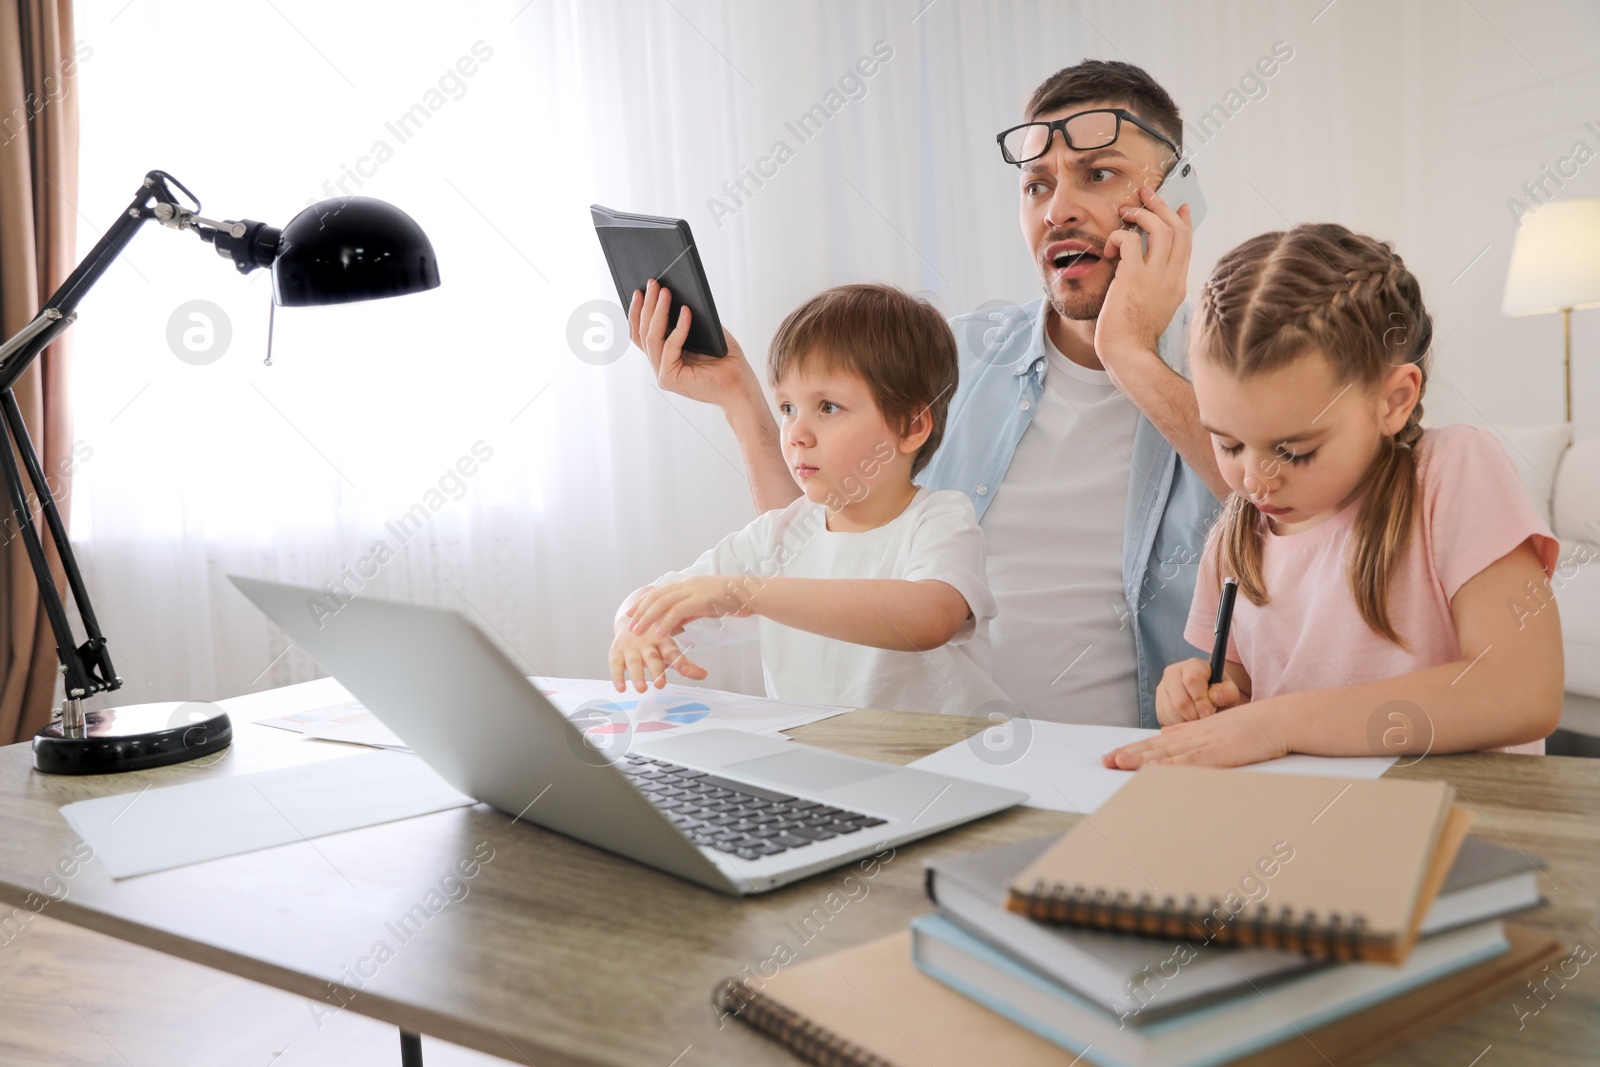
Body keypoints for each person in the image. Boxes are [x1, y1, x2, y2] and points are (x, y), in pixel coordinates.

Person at [631, 60, 1226, 728]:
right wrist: (741, 401)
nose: (1058, 209)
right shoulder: (955, 357)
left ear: (1178, 205)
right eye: (1036, 185)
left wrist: (1130, 355)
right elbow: (829, 538)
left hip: (1134, 772)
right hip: (949, 765)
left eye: (1099, 174)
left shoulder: (1238, 370)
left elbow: (1272, 509)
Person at [1103, 224, 1563, 769]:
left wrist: (1278, 722)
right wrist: (1203, 698)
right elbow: (1245, 698)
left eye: (1294, 450)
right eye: (1227, 443)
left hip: (1458, 816)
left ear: (1394, 400)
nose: (1255, 480)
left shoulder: (1453, 471)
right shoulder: (1236, 539)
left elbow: (1520, 692)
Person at [609, 283, 1008, 715]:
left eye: (828, 407)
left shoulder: (940, 519)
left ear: (912, 427)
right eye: (786, 408)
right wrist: (634, 627)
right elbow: (651, 599)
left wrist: (751, 593)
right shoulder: (777, 535)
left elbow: (929, 618)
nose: (796, 433)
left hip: (945, 766)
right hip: (822, 765)